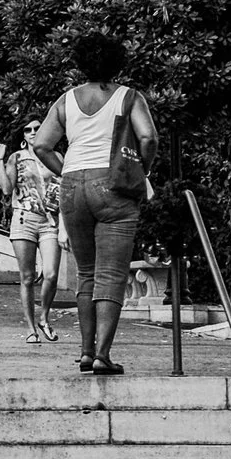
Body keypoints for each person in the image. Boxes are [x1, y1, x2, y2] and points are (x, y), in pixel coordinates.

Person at [30, 32, 159, 376]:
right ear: (117, 61)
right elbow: (147, 137)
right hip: (113, 184)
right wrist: (141, 170)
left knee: (86, 273)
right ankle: (102, 355)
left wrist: (67, 172)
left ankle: (86, 353)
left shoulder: (66, 100)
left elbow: (42, 145)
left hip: (73, 185)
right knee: (111, 275)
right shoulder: (128, 97)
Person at [0, 132, 64, 343]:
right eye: (28, 129)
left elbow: (64, 187)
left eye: (38, 128)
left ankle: (44, 317)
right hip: (25, 218)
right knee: (27, 277)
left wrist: (64, 222)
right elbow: (7, 189)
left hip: (50, 220)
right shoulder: (16, 157)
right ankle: (31, 329)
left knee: (51, 274)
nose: (34, 132)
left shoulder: (56, 157)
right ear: (23, 135)